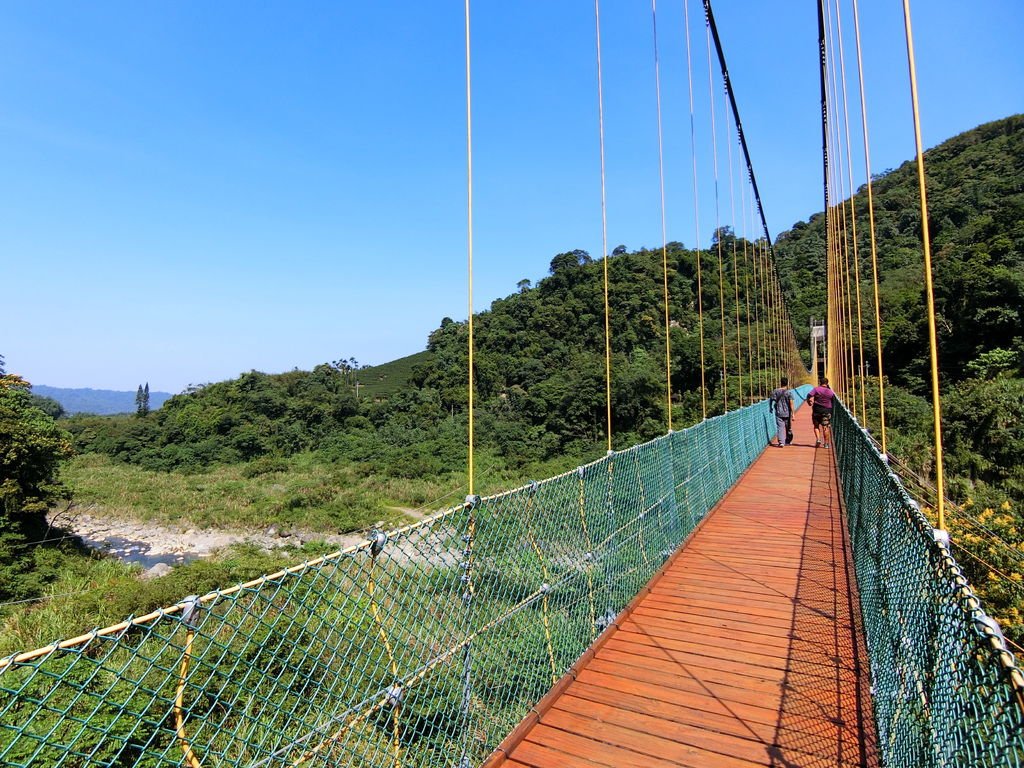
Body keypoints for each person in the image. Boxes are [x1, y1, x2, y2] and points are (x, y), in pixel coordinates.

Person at [806, 376, 835, 448]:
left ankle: (818, 439)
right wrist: (832, 411)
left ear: (820, 382)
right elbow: (833, 401)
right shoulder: (831, 392)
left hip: (817, 410)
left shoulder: (816, 389)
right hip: (826, 410)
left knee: (816, 426)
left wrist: (809, 402)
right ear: (827, 383)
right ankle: (826, 444)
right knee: (825, 427)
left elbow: (808, 395)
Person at [769, 376, 795, 448]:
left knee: (780, 427)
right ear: (787, 383)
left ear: (780, 383)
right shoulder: (789, 393)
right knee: (788, 427)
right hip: (787, 413)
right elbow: (791, 404)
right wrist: (793, 414)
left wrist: (770, 407)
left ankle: (781, 442)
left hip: (778, 412)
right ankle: (788, 440)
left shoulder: (775, 391)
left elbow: (771, 399)